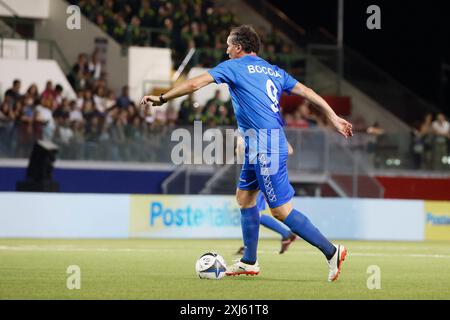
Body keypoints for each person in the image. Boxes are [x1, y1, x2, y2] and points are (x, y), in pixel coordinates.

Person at [141, 25, 353, 282]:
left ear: (239, 47)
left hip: (266, 147)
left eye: (229, 45)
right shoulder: (274, 71)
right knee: (244, 199)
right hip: (259, 145)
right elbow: (307, 92)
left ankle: (332, 251)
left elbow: (196, 83)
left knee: (281, 211)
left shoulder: (233, 66)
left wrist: (162, 98)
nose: (226, 49)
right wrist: (333, 117)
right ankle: (249, 262)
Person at [234, 135, 297, 255]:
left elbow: (239, 153)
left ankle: (286, 234)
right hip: (264, 173)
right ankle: (248, 246)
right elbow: (288, 150)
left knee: (252, 211)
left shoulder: (258, 131)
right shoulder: (268, 130)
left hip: (260, 175)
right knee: (252, 211)